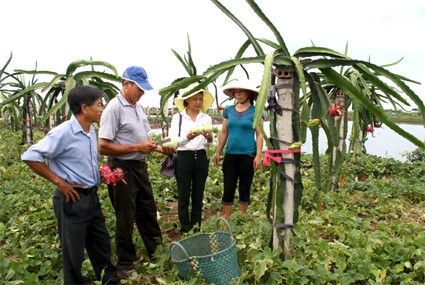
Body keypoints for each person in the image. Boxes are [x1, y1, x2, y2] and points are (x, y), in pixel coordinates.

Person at [21, 85, 120, 285]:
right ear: (85, 108)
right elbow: (30, 156)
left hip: (91, 198)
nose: (102, 109)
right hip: (71, 199)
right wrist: (59, 181)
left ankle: (110, 280)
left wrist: (101, 174)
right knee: (73, 251)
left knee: (101, 244)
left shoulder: (91, 130)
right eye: (98, 104)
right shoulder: (63, 132)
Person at [98, 66, 174, 278]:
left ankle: (157, 252)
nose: (142, 92)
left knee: (148, 210)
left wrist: (159, 148)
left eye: (143, 89)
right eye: (139, 88)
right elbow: (103, 146)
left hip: (140, 166)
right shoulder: (113, 108)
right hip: (121, 168)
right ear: (126, 84)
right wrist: (136, 148)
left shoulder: (138, 107)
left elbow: (144, 141)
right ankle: (125, 263)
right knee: (125, 216)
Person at [213, 80, 264, 219]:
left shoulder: (256, 111)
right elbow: (224, 132)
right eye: (236, 92)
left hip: (248, 155)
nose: (238, 94)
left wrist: (258, 156)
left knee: (244, 188)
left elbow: (260, 134)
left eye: (241, 91)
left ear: (249, 94)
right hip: (230, 155)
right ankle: (226, 221)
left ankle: (241, 220)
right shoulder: (228, 110)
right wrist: (218, 152)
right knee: (228, 188)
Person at [170, 83, 215, 233]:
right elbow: (174, 141)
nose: (198, 102)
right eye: (195, 99)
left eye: (200, 99)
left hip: (201, 157)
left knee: (198, 193)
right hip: (184, 157)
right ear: (187, 100)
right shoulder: (178, 118)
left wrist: (209, 139)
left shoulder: (206, 118)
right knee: (183, 195)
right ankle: (185, 227)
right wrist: (187, 137)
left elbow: (209, 144)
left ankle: (196, 226)